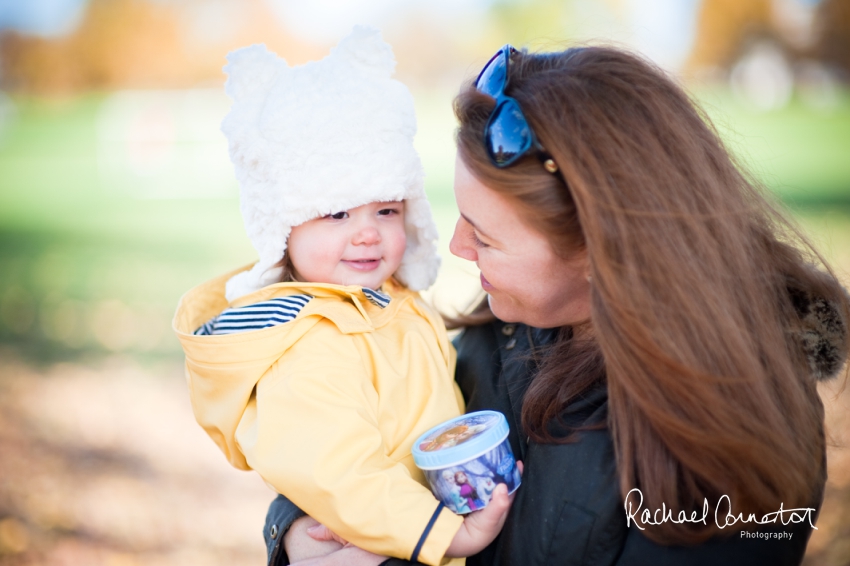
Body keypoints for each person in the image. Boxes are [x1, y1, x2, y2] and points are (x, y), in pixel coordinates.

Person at [265, 44, 850, 565]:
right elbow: (368, 444)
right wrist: (296, 533)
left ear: (603, 252)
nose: (455, 248)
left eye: (485, 237)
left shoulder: (732, 437)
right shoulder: (501, 329)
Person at [172, 27, 514, 566]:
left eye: (386, 210)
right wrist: (443, 533)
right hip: (394, 545)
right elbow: (337, 472)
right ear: (284, 229)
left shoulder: (391, 302)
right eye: (336, 213)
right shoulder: (309, 343)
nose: (367, 233)